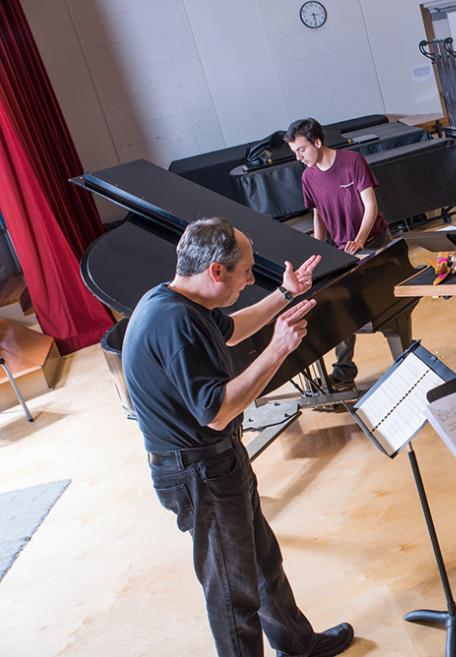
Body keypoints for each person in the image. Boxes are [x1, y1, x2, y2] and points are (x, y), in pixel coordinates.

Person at [123, 218, 354, 657]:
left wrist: (284, 295)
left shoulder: (178, 301)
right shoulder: (173, 323)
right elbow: (217, 411)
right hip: (197, 470)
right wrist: (278, 348)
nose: (250, 280)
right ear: (215, 270)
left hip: (216, 460)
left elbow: (232, 329)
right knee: (233, 592)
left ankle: (298, 645)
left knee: (264, 564)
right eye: (245, 271)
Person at [286, 117, 391, 390]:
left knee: (388, 308)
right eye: (295, 152)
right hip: (342, 251)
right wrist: (317, 249)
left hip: (374, 242)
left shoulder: (352, 161)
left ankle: (403, 359)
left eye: (302, 150)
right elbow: (318, 214)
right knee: (340, 309)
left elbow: (371, 206)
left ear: (317, 142)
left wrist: (359, 240)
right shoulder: (308, 176)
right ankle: (344, 372)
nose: (299, 157)